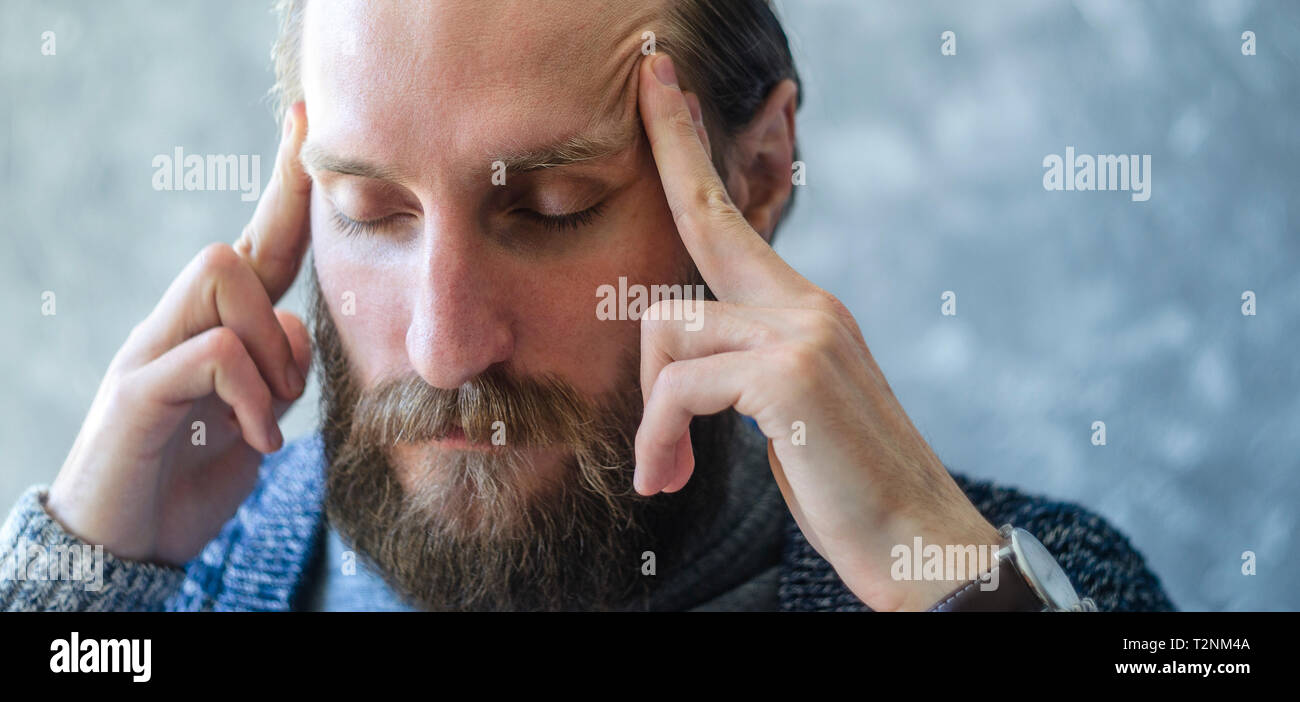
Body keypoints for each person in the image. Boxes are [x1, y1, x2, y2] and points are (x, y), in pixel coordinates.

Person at [0, 0, 1174, 612]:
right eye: (369, 209)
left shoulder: (1035, 582)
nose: (444, 346)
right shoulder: (153, 594)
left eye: (553, 206)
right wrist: (79, 588)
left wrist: (957, 595)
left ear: (755, 179)